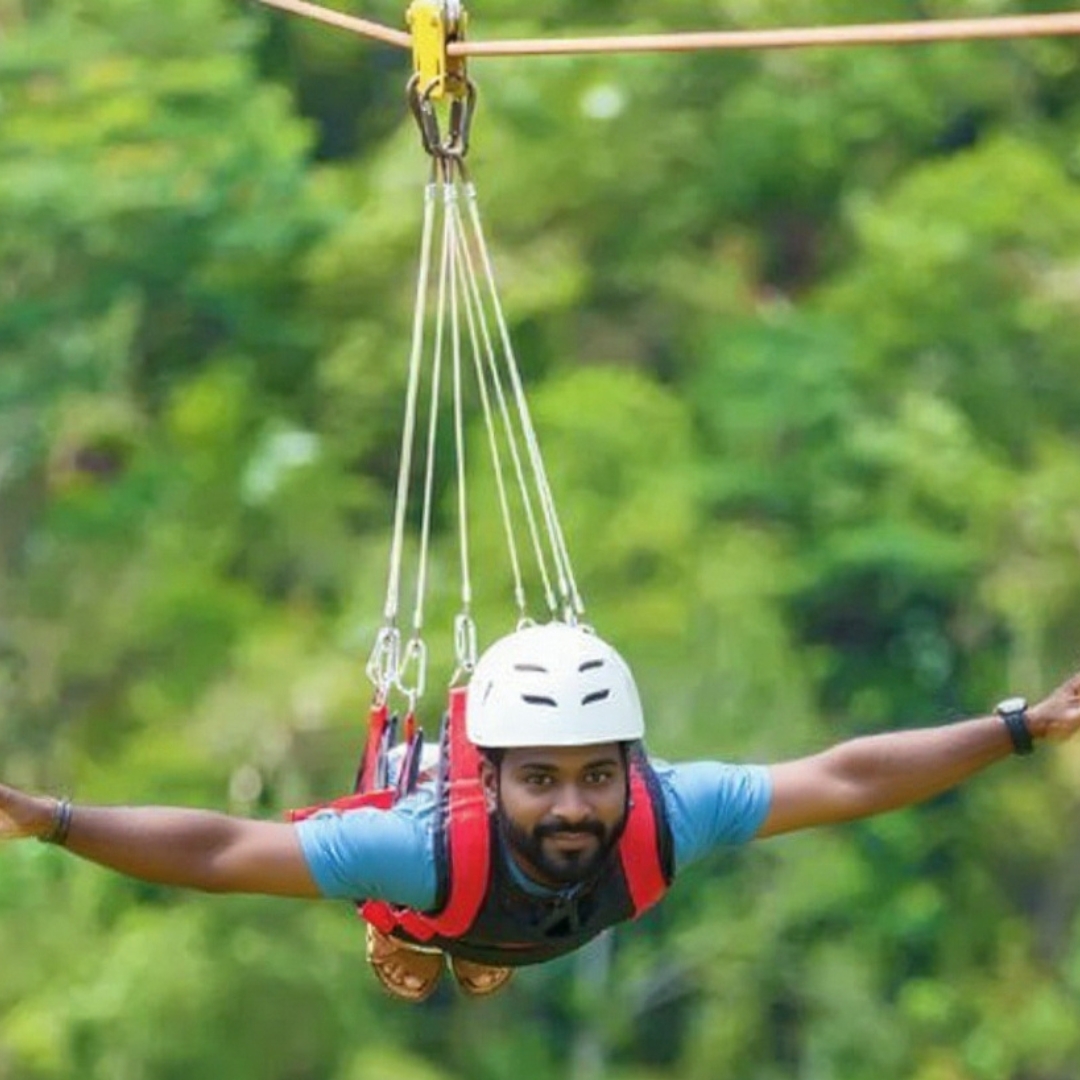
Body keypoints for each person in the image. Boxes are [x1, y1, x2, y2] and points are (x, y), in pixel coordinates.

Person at [2, 622, 1079, 1003]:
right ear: (493, 773)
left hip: (538, 916)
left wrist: (1017, 726)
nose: (574, 805)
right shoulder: (418, 846)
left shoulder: (670, 811)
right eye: (541, 780)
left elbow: (844, 779)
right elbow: (226, 848)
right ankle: (439, 954)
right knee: (432, 937)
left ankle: (485, 961)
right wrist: (52, 817)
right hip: (440, 901)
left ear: (630, 765)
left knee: (505, 933)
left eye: (596, 777)